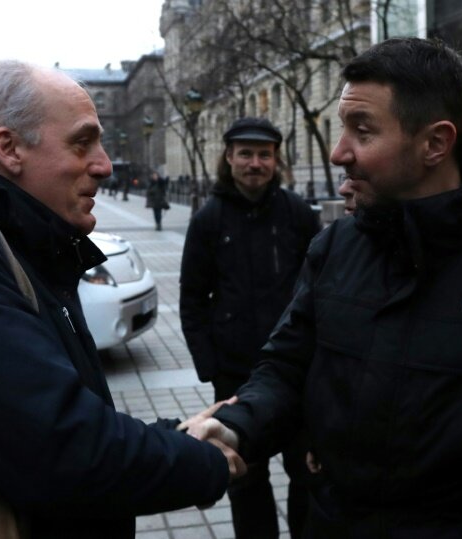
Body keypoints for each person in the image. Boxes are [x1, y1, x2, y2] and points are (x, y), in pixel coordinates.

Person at [183, 37, 462, 538]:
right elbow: (285, 367)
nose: (339, 152)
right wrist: (238, 425)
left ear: (434, 143)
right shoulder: (336, 246)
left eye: (361, 131)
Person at [0, 60, 245, 538]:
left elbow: (56, 413)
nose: (105, 164)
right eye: (82, 142)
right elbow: (59, 447)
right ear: (8, 148)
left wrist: (168, 440)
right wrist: (205, 462)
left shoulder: (10, 234)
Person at [179, 117, 321, 539]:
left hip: (297, 375)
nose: (255, 163)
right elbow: (192, 299)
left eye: (264, 154)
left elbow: (319, 291)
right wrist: (211, 366)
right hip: (235, 376)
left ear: (276, 160)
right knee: (245, 479)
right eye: (246, 154)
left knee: (308, 476)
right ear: (229, 157)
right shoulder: (209, 219)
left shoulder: (297, 213)